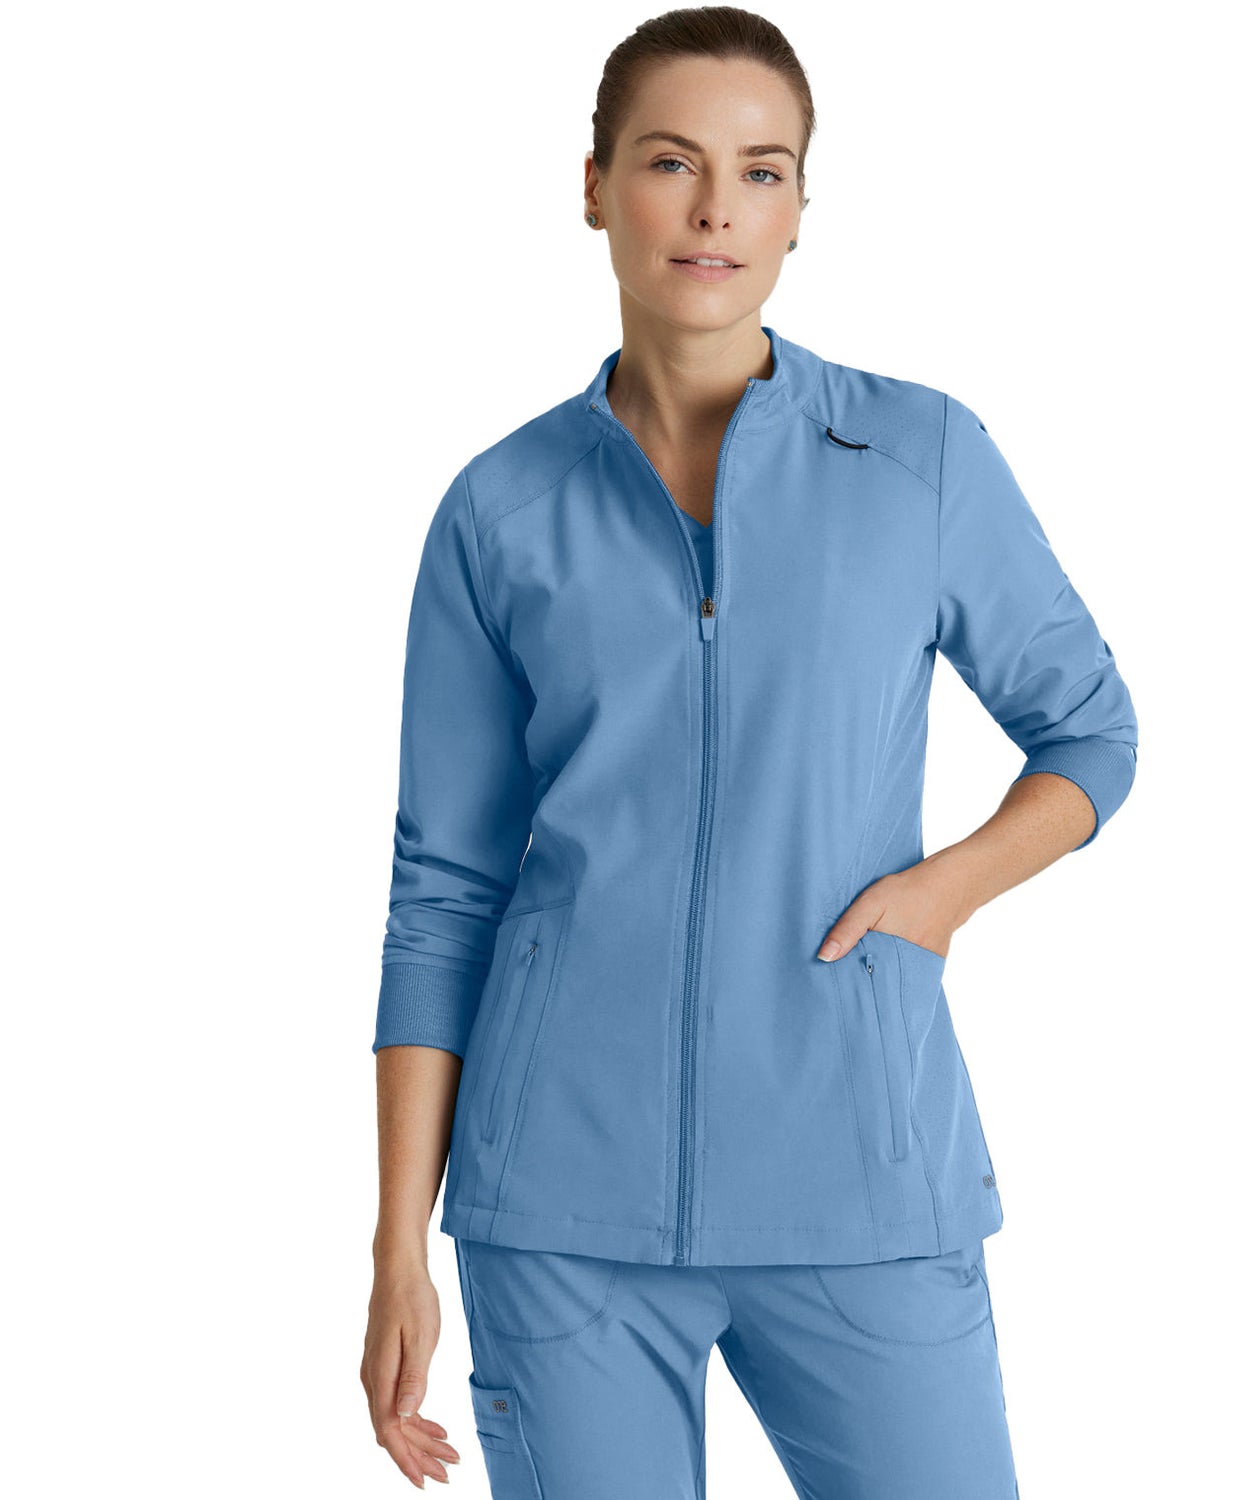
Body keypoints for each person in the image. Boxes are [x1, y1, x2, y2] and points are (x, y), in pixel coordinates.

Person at [360, 7, 1138, 1497]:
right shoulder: (500, 510)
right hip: (560, 1206)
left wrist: (943, 893)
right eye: (672, 162)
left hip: (862, 1176)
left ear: (798, 207)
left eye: (761, 171)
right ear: (597, 187)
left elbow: (1090, 729)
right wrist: (400, 1240)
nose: (717, 208)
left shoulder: (919, 460)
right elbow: (444, 888)